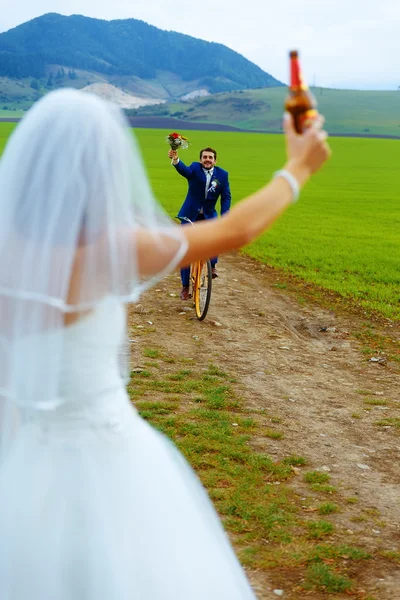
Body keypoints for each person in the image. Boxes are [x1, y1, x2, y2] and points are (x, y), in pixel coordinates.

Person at [0, 88, 330, 600]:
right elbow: (239, 228)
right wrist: (298, 167)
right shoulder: (112, 249)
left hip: (26, 460)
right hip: (106, 454)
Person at [168, 145, 231, 299]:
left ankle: (212, 267)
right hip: (189, 215)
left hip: (208, 215)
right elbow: (184, 170)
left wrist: (225, 216)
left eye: (210, 157)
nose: (207, 160)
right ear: (200, 159)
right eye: (205, 157)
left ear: (215, 160)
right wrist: (176, 159)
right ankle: (185, 287)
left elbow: (226, 197)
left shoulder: (222, 175)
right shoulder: (195, 169)